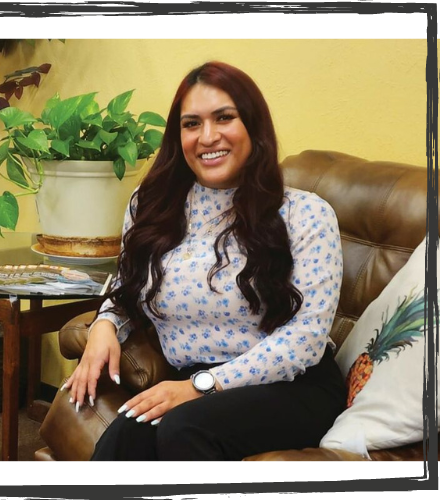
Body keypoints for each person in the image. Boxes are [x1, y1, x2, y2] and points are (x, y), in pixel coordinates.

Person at [62, 61, 347, 461]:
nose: (207, 136)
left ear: (253, 126)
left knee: (184, 428)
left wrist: (201, 386)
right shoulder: (152, 206)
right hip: (193, 381)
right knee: (123, 439)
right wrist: (104, 325)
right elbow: (128, 285)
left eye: (224, 118)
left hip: (292, 386)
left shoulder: (306, 214)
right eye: (191, 123)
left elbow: (305, 341)